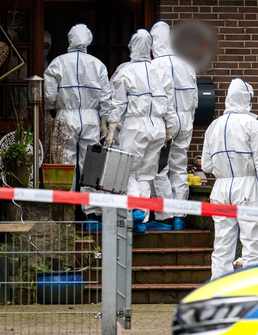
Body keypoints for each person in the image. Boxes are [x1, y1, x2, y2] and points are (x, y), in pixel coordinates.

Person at [202, 78, 258, 279]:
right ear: (247, 99)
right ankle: (252, 292)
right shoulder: (252, 124)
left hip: (221, 188)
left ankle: (218, 294)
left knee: (222, 246)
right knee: (253, 245)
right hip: (248, 187)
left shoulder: (213, 126)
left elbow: (206, 165)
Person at [43, 24, 113, 222]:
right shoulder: (97, 65)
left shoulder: (57, 63)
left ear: (70, 39)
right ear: (88, 40)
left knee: (66, 163)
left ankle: (68, 210)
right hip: (91, 118)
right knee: (91, 164)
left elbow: (48, 94)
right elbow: (106, 97)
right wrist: (104, 120)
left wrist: (53, 108)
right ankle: (91, 211)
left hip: (66, 116)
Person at [107, 29, 174, 232]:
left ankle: (135, 210)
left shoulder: (126, 71)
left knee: (127, 172)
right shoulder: (161, 72)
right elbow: (169, 103)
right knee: (146, 175)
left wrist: (111, 127)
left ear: (132, 47)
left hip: (135, 127)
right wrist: (169, 128)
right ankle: (142, 221)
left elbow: (117, 103)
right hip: (158, 129)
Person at [149, 21, 199, 231]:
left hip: (164, 124)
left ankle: (164, 216)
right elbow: (195, 99)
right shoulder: (187, 66)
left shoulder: (153, 66)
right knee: (179, 167)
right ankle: (179, 215)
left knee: (160, 168)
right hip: (185, 123)